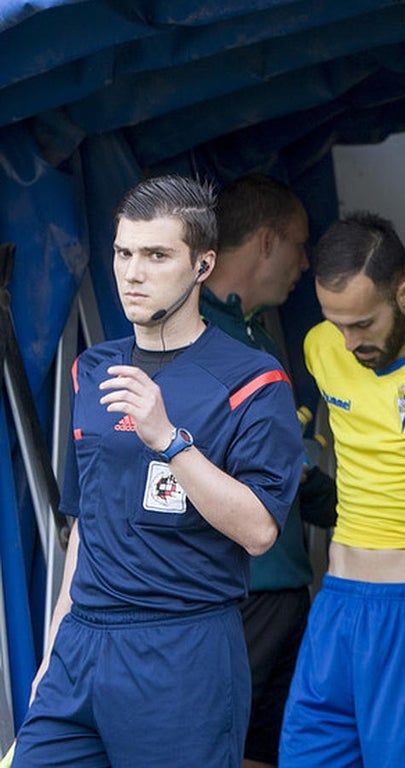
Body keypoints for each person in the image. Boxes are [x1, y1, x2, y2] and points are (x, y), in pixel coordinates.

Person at [15, 175, 302, 767]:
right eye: (123, 252)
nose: (132, 272)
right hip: (81, 649)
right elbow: (84, 526)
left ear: (203, 265)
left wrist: (169, 441)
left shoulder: (254, 380)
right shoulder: (93, 369)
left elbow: (258, 530)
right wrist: (55, 647)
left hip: (182, 651)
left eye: (156, 255)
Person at [278, 212, 405, 767]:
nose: (349, 340)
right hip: (336, 600)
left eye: (362, 323)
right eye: (336, 323)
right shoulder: (320, 346)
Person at [205, 173, 337, 768]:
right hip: (236, 590)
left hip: (286, 585)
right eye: (298, 244)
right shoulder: (191, 329)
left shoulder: (259, 336)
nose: (306, 263)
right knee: (214, 744)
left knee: (271, 747)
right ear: (264, 242)